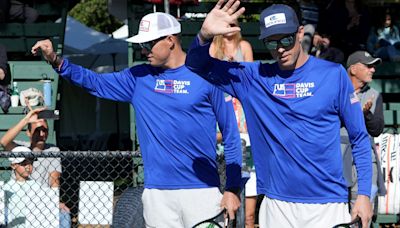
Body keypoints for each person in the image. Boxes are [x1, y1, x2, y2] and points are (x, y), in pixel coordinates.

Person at [31, 12, 242, 227]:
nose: (143, 50)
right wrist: (56, 61)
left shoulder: (208, 75)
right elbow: (93, 82)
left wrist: (232, 189)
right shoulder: (137, 78)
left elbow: (231, 136)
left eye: (148, 44)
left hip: (202, 191)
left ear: (170, 40)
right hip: (157, 193)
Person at [185, 0, 373, 227]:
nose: (280, 48)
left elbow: (359, 137)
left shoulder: (334, 75)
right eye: (272, 42)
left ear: (300, 33)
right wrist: (204, 35)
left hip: (328, 205)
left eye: (286, 39)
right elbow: (196, 65)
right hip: (276, 206)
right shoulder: (252, 78)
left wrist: (363, 195)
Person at [210, 24, 257, 228]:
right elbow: (208, 74)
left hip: (241, 104)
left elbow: (250, 77)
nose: (228, 28)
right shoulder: (214, 46)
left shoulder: (244, 46)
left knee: (246, 168)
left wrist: (233, 69)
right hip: (221, 99)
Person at [0, 108, 71, 228]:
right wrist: (27, 119)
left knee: (64, 215)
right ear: (28, 133)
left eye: (45, 130)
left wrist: (54, 201)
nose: (42, 134)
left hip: (42, 201)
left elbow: (54, 179)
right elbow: (3, 142)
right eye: (37, 130)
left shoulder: (52, 150)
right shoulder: (20, 148)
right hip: (17, 201)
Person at [343, 51, 386, 212]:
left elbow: (377, 130)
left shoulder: (374, 95)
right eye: (368, 66)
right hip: (337, 159)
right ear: (353, 69)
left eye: (373, 66)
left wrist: (366, 115)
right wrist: (353, 113)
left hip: (366, 163)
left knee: (361, 215)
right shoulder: (336, 92)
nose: (373, 69)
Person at [3, 146, 59, 228]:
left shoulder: (37, 185)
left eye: (31, 163)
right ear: (13, 165)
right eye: (24, 163)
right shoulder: (7, 187)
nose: (28, 166)